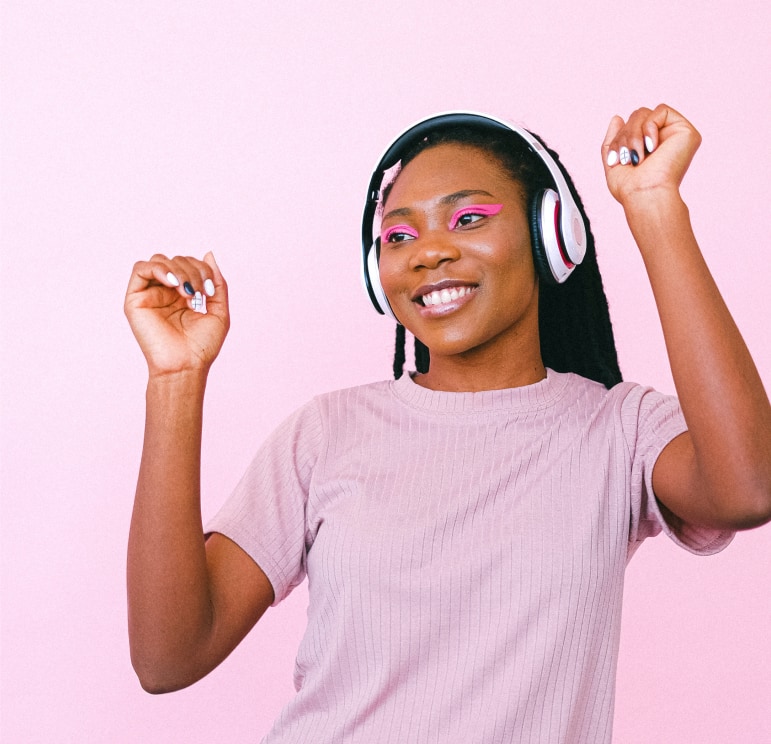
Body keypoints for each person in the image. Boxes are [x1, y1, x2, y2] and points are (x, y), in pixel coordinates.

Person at [124, 104, 771, 743]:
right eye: (398, 236)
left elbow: (748, 489)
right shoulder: (323, 433)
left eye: (467, 219)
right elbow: (168, 658)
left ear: (553, 236)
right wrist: (175, 379)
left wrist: (654, 207)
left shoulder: (618, 430)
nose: (428, 252)